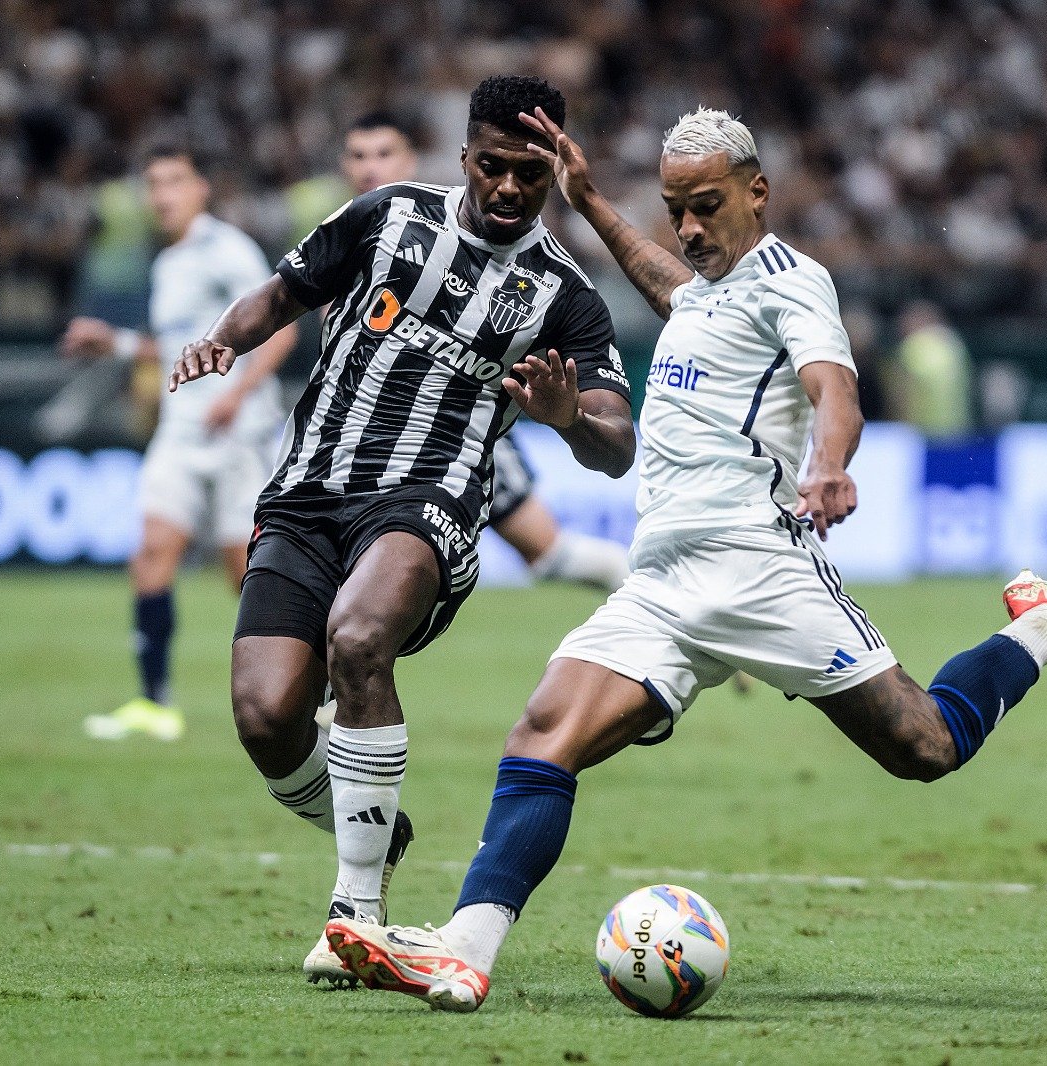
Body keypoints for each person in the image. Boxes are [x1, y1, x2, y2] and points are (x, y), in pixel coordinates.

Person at [323, 107, 1047, 1013]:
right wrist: (592, 202)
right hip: (664, 580)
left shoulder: (795, 284)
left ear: (758, 193)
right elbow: (668, 283)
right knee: (543, 736)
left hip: (760, 568)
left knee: (925, 747)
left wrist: (828, 464)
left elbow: (836, 390)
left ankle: (1044, 626)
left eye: (706, 205)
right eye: (676, 208)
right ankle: (465, 952)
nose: (689, 227)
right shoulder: (707, 288)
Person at [166, 75, 635, 987]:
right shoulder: (386, 217)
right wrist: (222, 338)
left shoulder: (566, 296)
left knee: (360, 635)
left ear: (553, 174)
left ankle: (356, 909)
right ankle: (377, 827)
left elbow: (615, 446)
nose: (507, 188)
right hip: (307, 494)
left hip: (430, 503)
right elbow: (282, 293)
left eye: (529, 174)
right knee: (266, 717)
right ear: (464, 155)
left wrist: (568, 415)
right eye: (492, 166)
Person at [336, 110, 631, 592]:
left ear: (414, 159)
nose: (371, 167)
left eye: (384, 154)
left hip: (455, 441)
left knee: (550, 552)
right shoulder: (347, 239)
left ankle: (664, 609)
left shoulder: (462, 236)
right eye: (358, 156)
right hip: (366, 447)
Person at [64, 146, 296, 742]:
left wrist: (237, 396)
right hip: (181, 430)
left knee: (241, 572)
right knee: (151, 552)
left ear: (201, 189)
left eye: (173, 182)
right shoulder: (169, 261)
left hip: (237, 432)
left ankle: (302, 692)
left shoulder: (228, 250)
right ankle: (154, 702)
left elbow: (282, 329)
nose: (161, 195)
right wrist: (113, 343)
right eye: (153, 184)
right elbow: (173, 349)